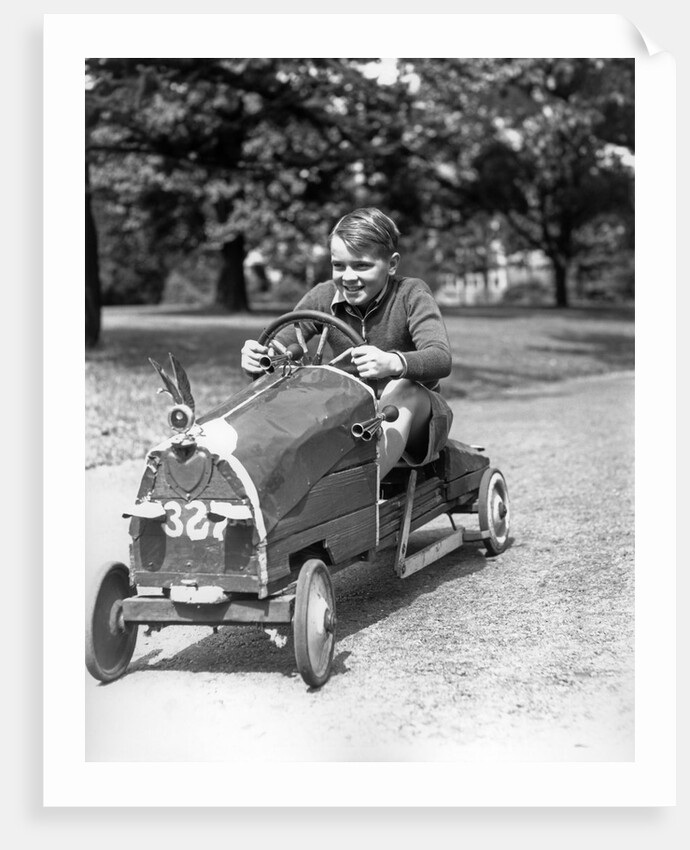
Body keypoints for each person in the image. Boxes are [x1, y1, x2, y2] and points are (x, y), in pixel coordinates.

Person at [241, 207, 453, 479]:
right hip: (348, 417)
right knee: (302, 390)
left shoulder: (411, 294)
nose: (348, 276)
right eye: (339, 265)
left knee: (403, 389)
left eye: (362, 265)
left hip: (417, 423)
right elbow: (280, 348)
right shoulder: (323, 296)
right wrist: (258, 359)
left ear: (392, 263)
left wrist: (393, 362)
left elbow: (441, 358)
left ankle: (361, 489)